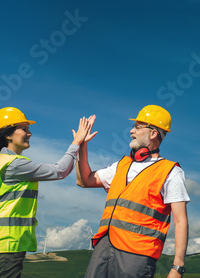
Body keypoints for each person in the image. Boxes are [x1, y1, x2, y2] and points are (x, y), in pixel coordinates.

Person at [0, 106, 96, 278]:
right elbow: (60, 171)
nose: (29, 133)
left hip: (1, 244)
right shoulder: (13, 164)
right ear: (8, 134)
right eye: (24, 129)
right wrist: (76, 143)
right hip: (6, 243)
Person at [76, 105, 190, 278]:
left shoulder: (170, 172)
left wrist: (178, 267)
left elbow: (181, 221)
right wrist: (81, 146)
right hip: (104, 246)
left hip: (136, 256)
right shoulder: (121, 165)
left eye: (137, 127)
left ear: (153, 133)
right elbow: (84, 180)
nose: (131, 131)